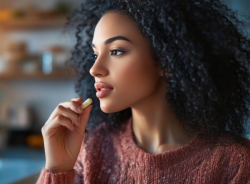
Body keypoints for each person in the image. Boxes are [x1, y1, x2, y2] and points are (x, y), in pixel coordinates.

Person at [36, 0, 250, 183]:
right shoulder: (89, 150)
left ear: (167, 60)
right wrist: (57, 169)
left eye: (116, 51)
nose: (95, 69)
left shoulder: (236, 163)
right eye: (95, 55)